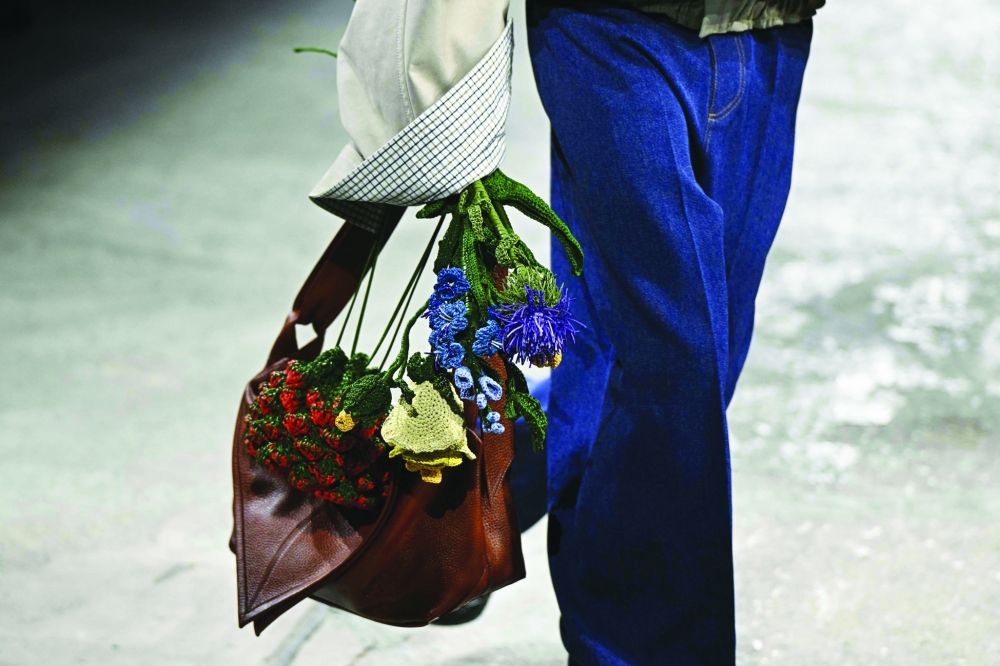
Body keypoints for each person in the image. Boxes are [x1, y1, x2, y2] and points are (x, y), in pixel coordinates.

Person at [310, 1, 820, 663]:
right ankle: (632, 650)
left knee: (659, 357)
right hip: (609, 26)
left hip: (772, 26)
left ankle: (454, 515)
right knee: (677, 364)